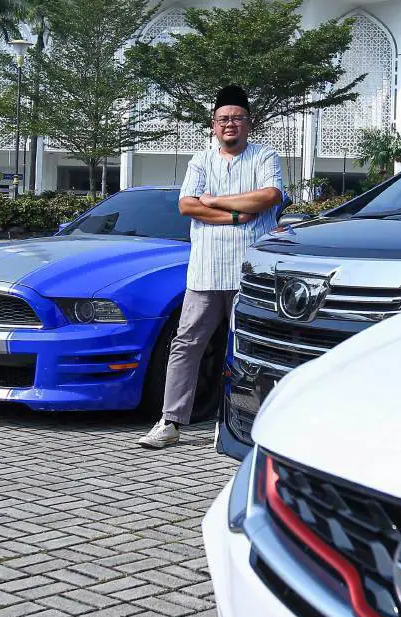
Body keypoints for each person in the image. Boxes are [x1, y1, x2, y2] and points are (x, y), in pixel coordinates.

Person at [137, 85, 285, 449]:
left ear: (249, 124)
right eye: (223, 119)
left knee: (248, 348)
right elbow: (187, 206)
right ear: (213, 125)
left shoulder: (265, 156)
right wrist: (238, 214)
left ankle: (235, 422)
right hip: (205, 272)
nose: (229, 124)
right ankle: (170, 421)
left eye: (236, 118)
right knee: (186, 344)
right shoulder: (201, 161)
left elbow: (269, 196)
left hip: (251, 274)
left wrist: (214, 201)